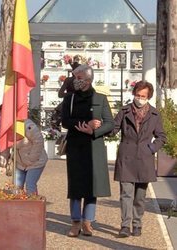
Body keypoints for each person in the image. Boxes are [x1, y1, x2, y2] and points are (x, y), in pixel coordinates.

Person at [61, 65, 114, 237]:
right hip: (76, 145)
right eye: (74, 77)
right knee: (76, 186)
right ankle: (75, 221)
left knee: (93, 186)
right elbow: (65, 121)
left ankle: (88, 222)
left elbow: (109, 123)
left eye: (78, 77)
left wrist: (93, 131)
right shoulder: (69, 98)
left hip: (94, 145)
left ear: (88, 80)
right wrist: (84, 125)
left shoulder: (100, 98)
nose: (75, 80)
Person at [110, 81, 166, 237]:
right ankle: (125, 226)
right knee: (126, 194)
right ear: (133, 94)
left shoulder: (154, 114)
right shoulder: (124, 111)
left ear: (148, 97)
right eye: (137, 95)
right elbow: (113, 129)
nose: (139, 98)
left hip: (144, 158)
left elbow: (161, 136)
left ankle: (137, 224)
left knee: (140, 196)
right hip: (126, 157)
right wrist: (101, 127)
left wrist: (151, 148)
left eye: (143, 96)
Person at [15, 119, 48, 195]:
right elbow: (6, 145)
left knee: (30, 185)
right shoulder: (5, 127)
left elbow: (38, 141)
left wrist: (32, 158)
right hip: (20, 163)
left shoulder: (27, 125)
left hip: (36, 162)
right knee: (16, 187)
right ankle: (19, 206)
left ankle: (32, 206)